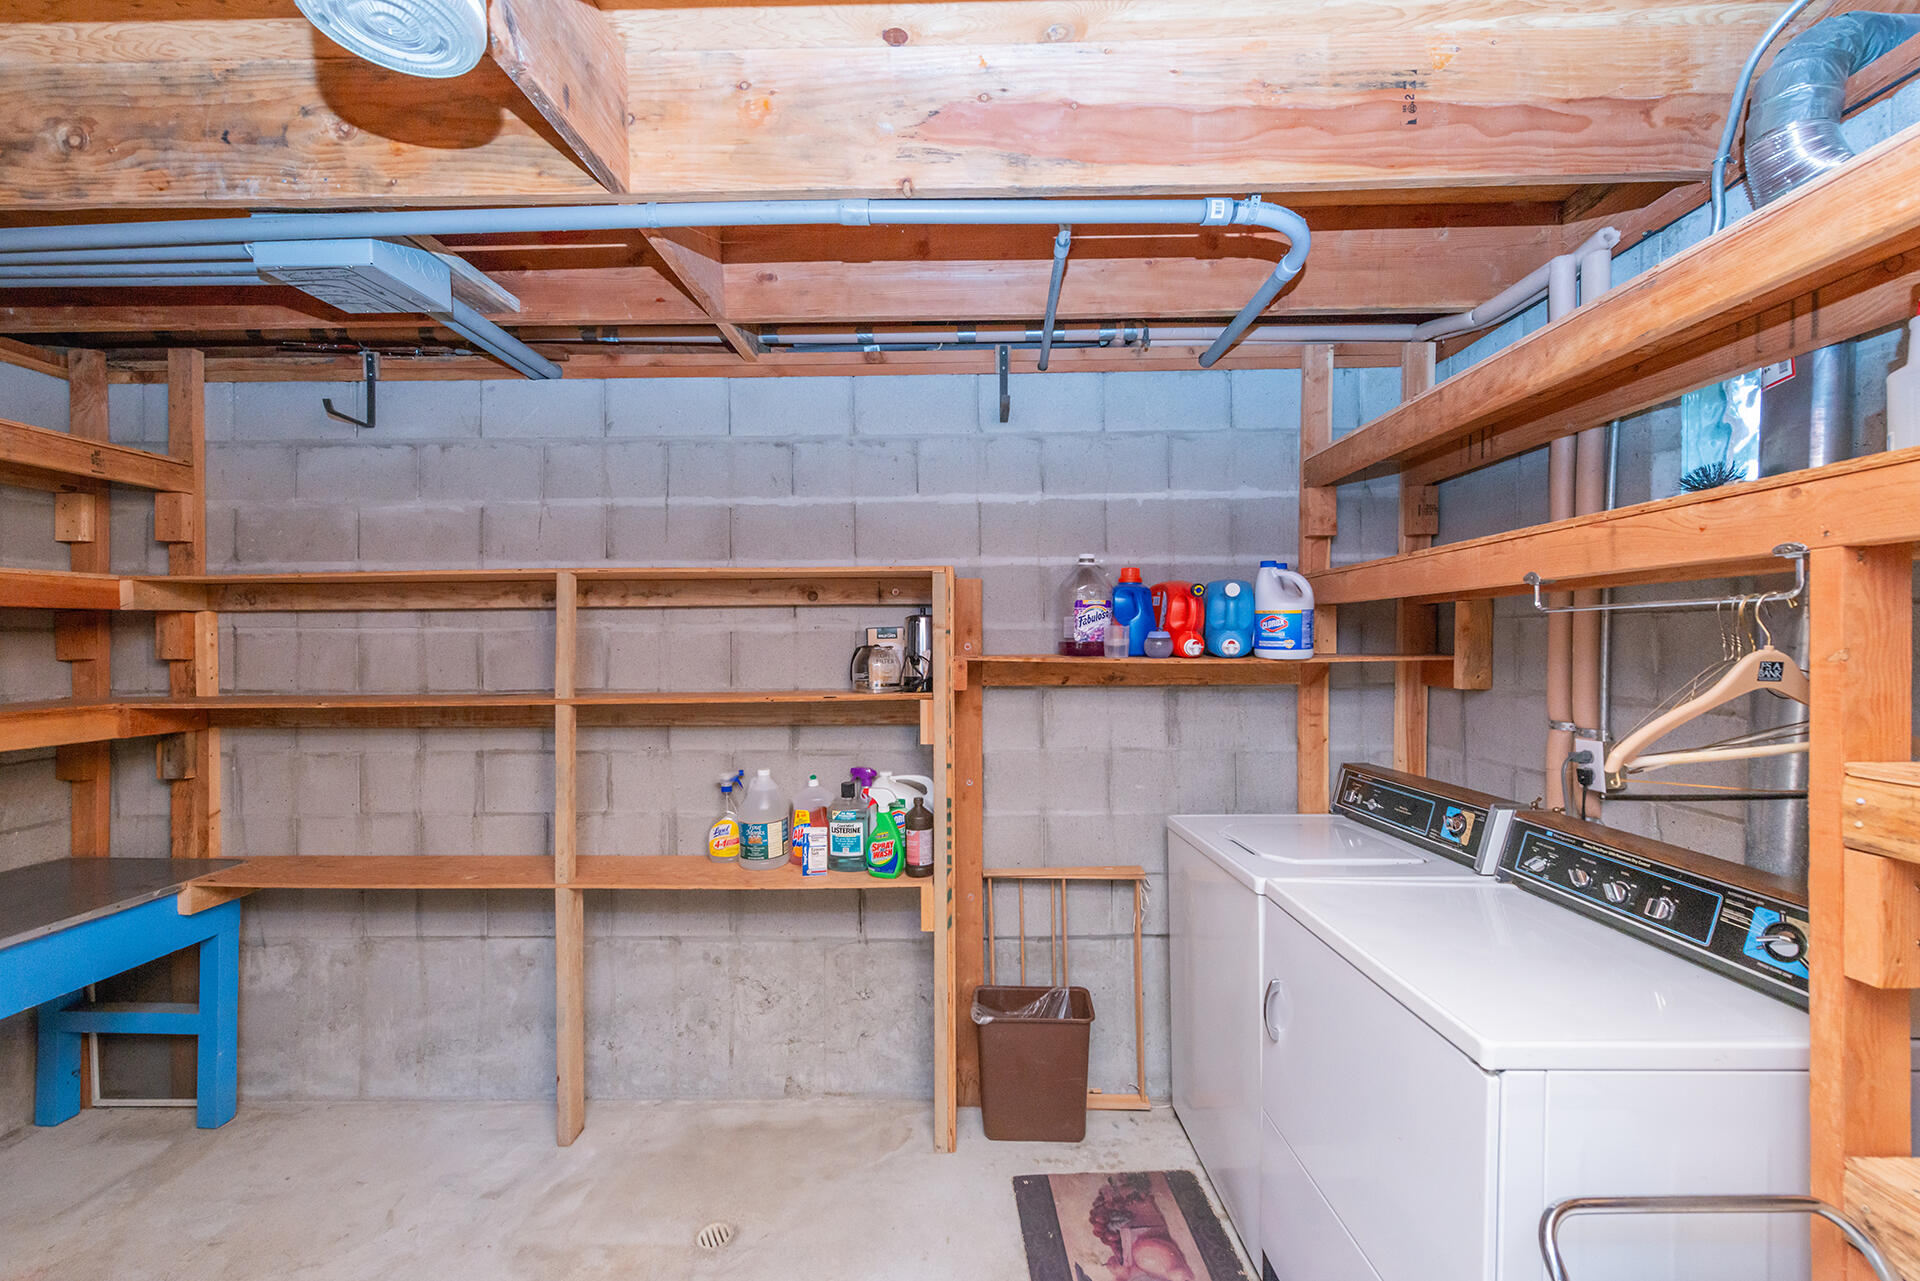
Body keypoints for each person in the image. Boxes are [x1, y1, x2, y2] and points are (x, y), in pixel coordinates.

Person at [1086, 1174, 1196, 1281]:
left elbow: (1124, 1271)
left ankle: (1125, 1187)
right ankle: (1128, 1186)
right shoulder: (1173, 1273)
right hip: (1146, 1230)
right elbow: (1180, 1274)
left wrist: (1120, 1273)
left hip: (1138, 1238)